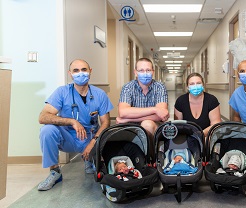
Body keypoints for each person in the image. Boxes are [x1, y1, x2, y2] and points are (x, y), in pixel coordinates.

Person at [37, 59, 114, 191]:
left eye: (84, 70)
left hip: (89, 138)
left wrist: (93, 142)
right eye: (76, 71)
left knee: (100, 170)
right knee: (47, 131)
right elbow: (43, 117)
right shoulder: (62, 92)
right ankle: (55, 172)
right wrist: (72, 121)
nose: (80, 73)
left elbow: (106, 122)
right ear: (70, 74)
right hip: (68, 137)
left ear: (90, 72)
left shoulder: (99, 94)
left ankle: (90, 161)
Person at [117, 57, 169, 135]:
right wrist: (154, 110)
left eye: (148, 70)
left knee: (146, 124)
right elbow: (123, 113)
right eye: (141, 70)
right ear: (135, 73)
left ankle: (149, 147)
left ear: (153, 72)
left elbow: (161, 116)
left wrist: (127, 119)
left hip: (153, 125)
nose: (145, 73)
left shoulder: (160, 87)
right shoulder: (128, 87)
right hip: (131, 126)